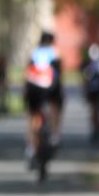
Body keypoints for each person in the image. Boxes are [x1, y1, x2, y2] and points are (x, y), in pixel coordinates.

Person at [23, 31, 63, 165]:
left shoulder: (34, 53)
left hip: (33, 88)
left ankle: (30, 147)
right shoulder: (55, 53)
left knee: (32, 116)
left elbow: (27, 73)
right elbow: (59, 75)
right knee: (55, 107)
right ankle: (54, 135)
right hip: (51, 89)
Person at [81, 43, 99, 145]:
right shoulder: (88, 66)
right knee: (95, 111)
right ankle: (97, 128)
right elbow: (85, 80)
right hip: (95, 92)